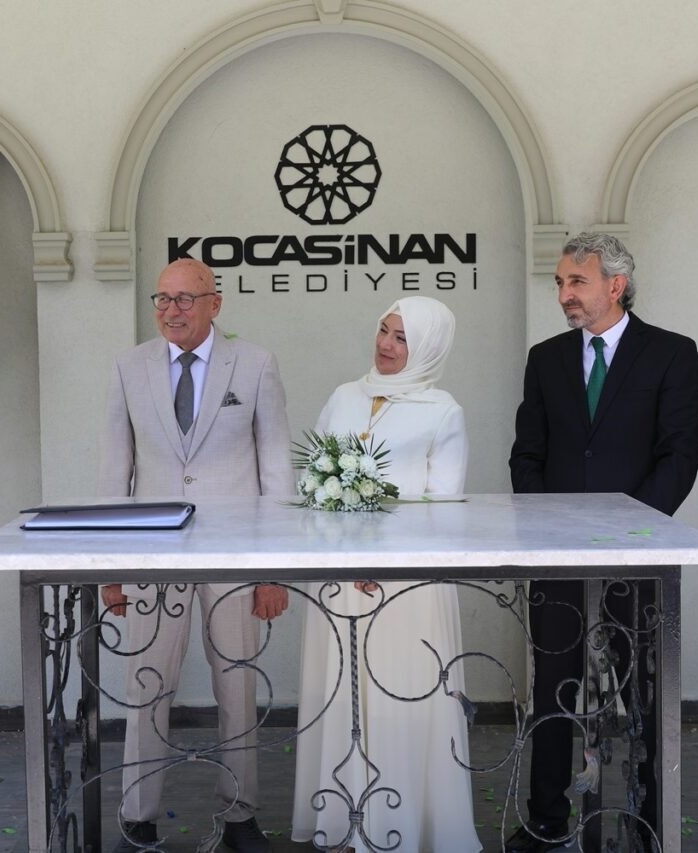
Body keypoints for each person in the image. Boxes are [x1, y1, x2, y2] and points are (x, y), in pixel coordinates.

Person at [508, 232, 698, 851]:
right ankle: (546, 822)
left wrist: (629, 532)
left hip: (636, 560)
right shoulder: (545, 358)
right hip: (559, 561)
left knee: (642, 693)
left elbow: (680, 454)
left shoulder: (671, 353)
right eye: (560, 283)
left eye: (577, 281)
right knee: (552, 691)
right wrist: (552, 530)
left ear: (615, 285)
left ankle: (649, 822)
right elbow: (527, 455)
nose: (564, 294)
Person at [97, 257, 293, 853]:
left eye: (185, 299)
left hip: (236, 557)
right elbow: (115, 472)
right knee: (146, 687)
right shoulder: (128, 366)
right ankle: (138, 819)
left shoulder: (255, 364)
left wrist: (273, 570)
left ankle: (240, 817)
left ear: (215, 304)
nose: (171, 310)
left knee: (237, 686)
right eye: (163, 299)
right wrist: (111, 568)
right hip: (152, 556)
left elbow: (276, 472)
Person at [291, 296, 479, 853]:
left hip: (405, 587)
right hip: (339, 581)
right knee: (341, 694)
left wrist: (388, 564)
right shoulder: (344, 396)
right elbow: (310, 481)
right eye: (383, 330)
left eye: (402, 338)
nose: (386, 345)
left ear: (428, 349)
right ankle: (343, 823)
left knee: (400, 697)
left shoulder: (443, 410)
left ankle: (404, 827)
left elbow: (444, 505)